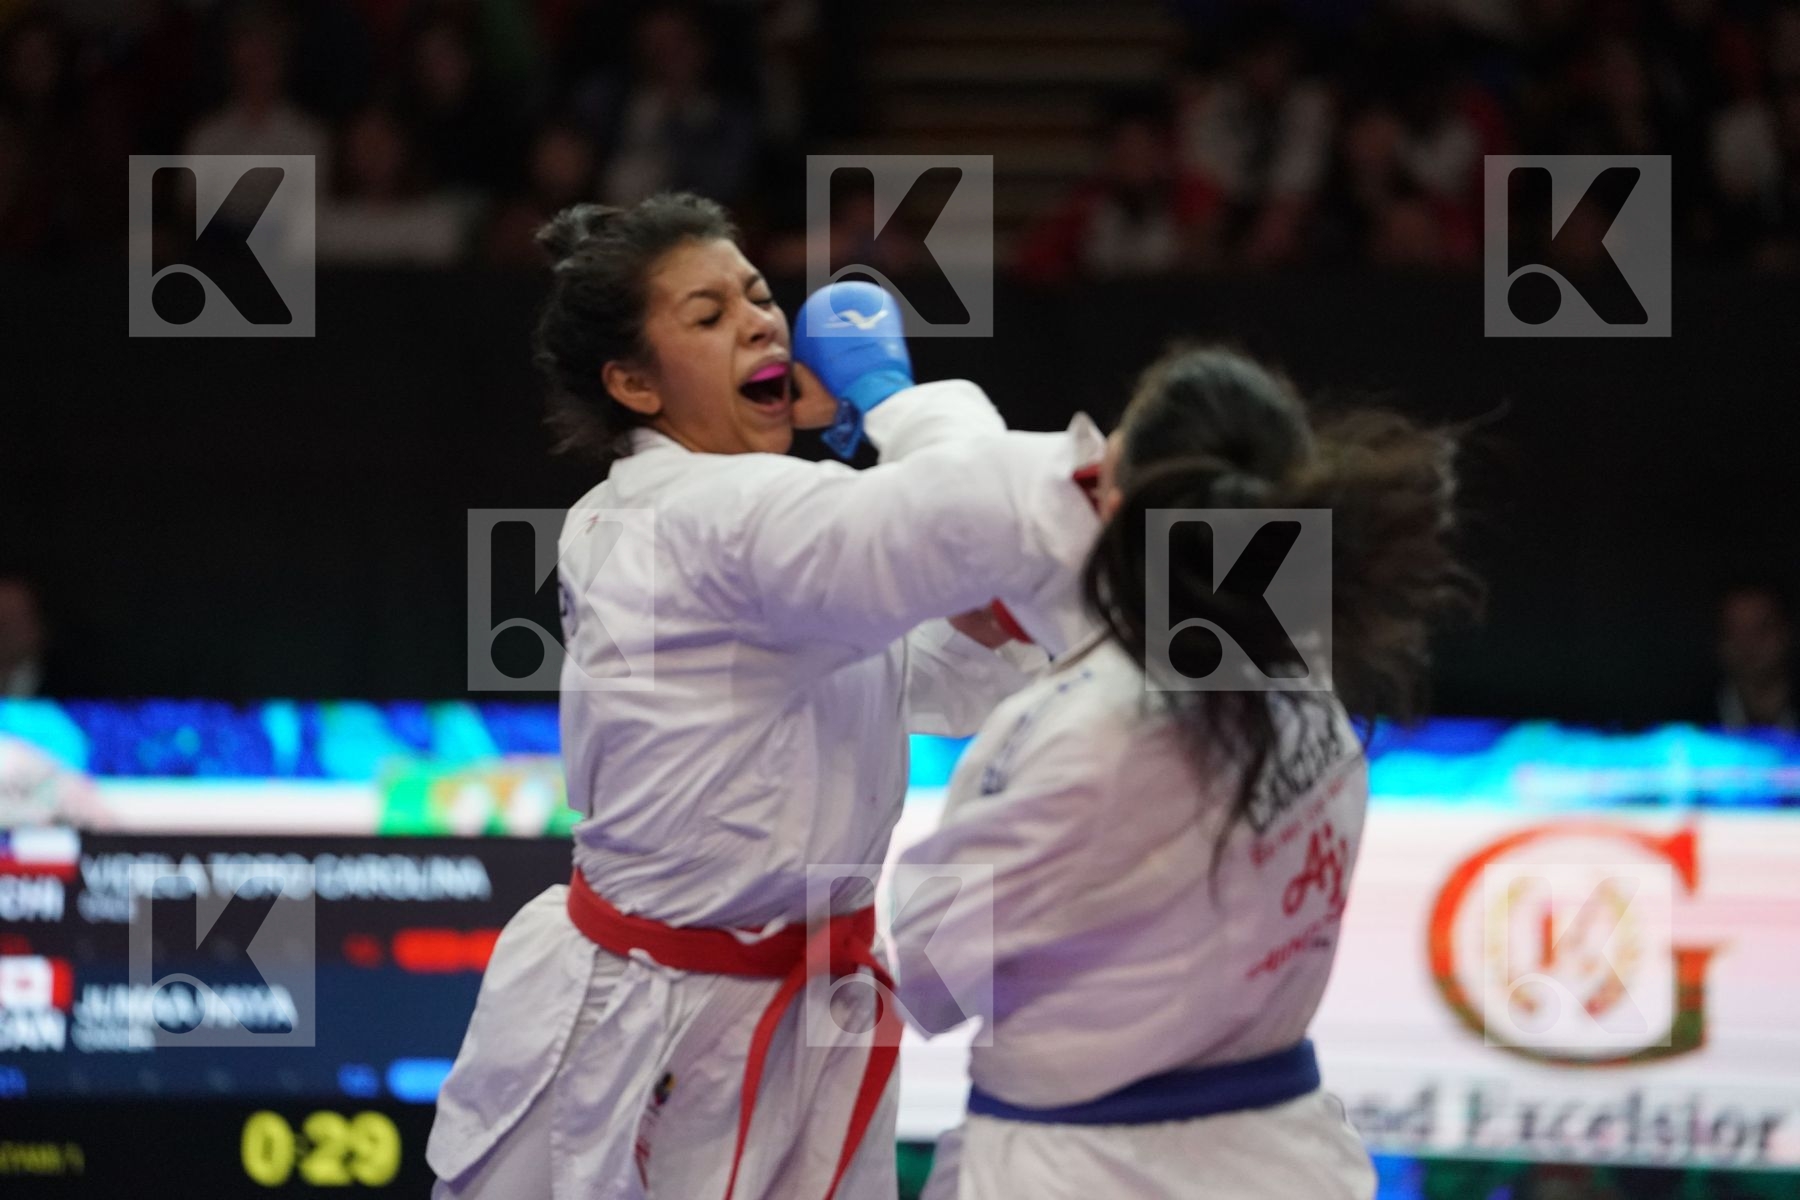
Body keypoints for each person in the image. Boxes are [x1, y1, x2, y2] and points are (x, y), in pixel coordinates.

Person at [427, 192, 1103, 1200]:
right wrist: (893, 399)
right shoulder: (709, 519)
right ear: (633, 385)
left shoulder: (757, 527)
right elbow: (970, 512)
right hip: (646, 1031)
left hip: (800, 1015)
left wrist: (982, 607)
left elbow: (943, 674)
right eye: (706, 317)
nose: (760, 320)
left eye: (755, 295)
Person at [894, 347, 1481, 1200]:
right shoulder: (1311, 663)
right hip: (1287, 1159)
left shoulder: (1067, 731)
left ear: (1113, 505)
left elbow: (926, 981)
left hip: (1087, 1173)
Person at [1712, 583, 1796, 731]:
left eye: (1762, 628)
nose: (1748, 643)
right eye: (1735, 632)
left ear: (1786, 632)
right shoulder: (1685, 721)